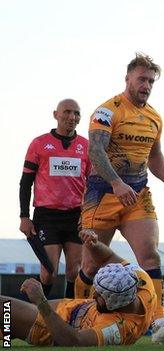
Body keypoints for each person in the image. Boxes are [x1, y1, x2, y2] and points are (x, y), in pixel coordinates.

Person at [75, 53, 164, 343]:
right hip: (103, 194)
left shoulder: (154, 117)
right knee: (90, 265)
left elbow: (154, 154)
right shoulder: (107, 111)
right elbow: (95, 152)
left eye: (151, 81)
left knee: (149, 254)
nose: (146, 85)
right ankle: (78, 317)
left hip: (138, 194)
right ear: (127, 78)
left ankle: (160, 324)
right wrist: (116, 183)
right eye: (142, 79)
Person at [0, 229, 163, 346]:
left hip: (47, 328)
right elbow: (109, 257)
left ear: (114, 303)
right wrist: (94, 244)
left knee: (3, 306)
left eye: (98, 295)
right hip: (58, 311)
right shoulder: (139, 279)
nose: (93, 297)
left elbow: (74, 341)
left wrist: (41, 300)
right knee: (4, 329)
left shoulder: (119, 328)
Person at [19, 98, 89, 299]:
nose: (72, 117)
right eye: (67, 112)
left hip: (76, 216)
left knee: (75, 272)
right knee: (49, 272)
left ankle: (69, 319)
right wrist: (24, 216)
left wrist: (90, 216)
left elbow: (93, 186)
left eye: (76, 113)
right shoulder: (39, 143)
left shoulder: (86, 146)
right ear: (55, 114)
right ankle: (34, 316)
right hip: (47, 215)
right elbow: (25, 182)